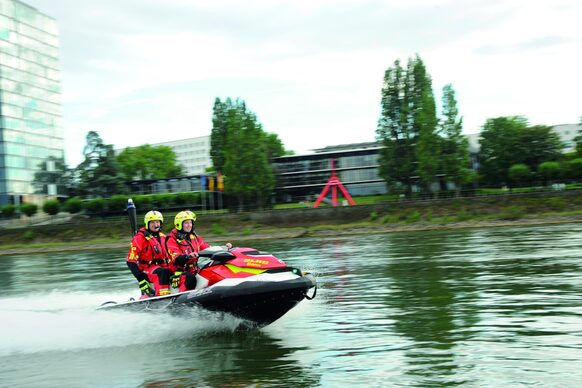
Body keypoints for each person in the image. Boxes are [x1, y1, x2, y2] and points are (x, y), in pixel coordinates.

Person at [126, 210, 172, 297]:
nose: (156, 225)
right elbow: (130, 261)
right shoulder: (140, 238)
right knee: (162, 272)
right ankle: (162, 297)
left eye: (157, 222)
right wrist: (141, 279)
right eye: (152, 222)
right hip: (146, 269)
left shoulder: (163, 237)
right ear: (147, 223)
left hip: (163, 266)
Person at [165, 210, 212, 292]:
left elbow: (207, 248)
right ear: (179, 224)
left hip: (194, 269)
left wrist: (224, 248)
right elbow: (176, 258)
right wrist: (188, 256)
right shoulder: (172, 239)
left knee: (209, 270)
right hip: (179, 272)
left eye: (190, 223)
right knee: (190, 277)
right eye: (186, 223)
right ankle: (181, 301)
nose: (189, 225)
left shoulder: (194, 237)